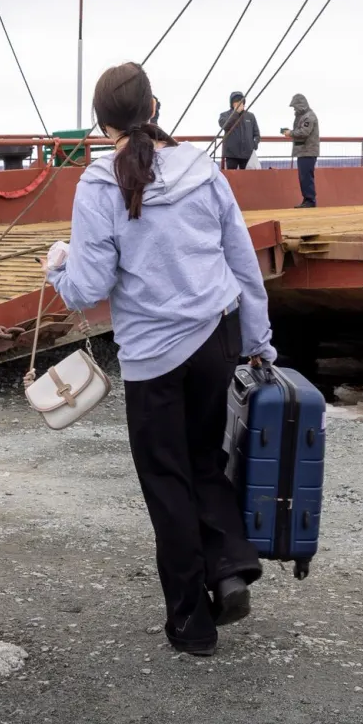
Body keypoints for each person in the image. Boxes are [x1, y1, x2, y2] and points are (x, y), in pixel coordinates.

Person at [46, 62, 272, 657]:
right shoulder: (204, 170)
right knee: (206, 459)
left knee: (166, 482)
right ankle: (228, 567)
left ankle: (191, 625)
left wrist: (56, 266)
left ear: (101, 126)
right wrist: (260, 340)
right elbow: (243, 262)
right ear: (156, 107)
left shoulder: (97, 186)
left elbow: (88, 286)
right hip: (216, 334)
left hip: (152, 356)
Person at [282, 93, 320, 208]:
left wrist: (290, 133)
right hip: (303, 152)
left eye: (295, 107)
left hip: (307, 152)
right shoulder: (304, 116)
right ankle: (307, 199)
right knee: (304, 177)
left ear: (300, 105)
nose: (295, 109)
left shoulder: (309, 116)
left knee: (306, 177)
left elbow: (304, 132)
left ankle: (310, 200)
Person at [218, 91, 261, 170]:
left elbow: (256, 134)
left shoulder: (250, 116)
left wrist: (253, 145)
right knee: (230, 178)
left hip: (247, 154)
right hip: (231, 154)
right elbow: (225, 126)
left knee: (247, 179)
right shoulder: (224, 115)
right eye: (236, 101)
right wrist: (236, 113)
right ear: (232, 103)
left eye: (241, 101)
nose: (239, 103)